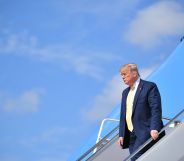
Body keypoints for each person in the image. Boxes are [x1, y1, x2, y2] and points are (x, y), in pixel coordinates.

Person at [118, 63, 165, 161]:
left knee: (135, 157)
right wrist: (121, 134)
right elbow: (123, 115)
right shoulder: (125, 92)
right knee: (138, 158)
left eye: (125, 74)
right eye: (121, 75)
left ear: (134, 73)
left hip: (145, 131)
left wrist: (155, 128)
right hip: (131, 135)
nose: (122, 77)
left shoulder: (149, 86)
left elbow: (155, 108)